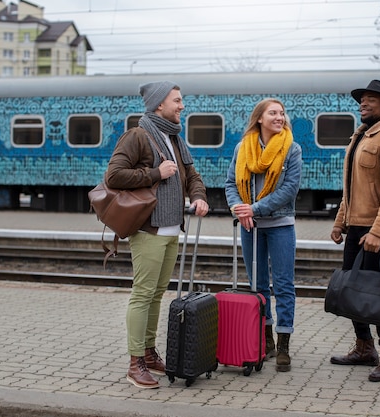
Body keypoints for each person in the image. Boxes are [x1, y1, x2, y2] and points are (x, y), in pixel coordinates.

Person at [105, 81, 209, 389]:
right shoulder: (138, 136)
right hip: (148, 228)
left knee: (155, 294)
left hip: (170, 228)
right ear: (158, 104)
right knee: (143, 294)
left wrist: (198, 195)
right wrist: (155, 174)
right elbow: (113, 175)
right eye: (177, 100)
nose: (182, 105)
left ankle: (149, 354)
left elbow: (191, 174)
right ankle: (135, 362)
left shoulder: (174, 137)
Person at [329, 79, 380, 382]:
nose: (363, 103)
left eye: (371, 100)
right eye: (362, 100)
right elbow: (352, 188)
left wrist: (379, 232)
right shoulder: (362, 136)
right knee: (351, 289)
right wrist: (341, 221)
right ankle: (364, 347)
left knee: (375, 291)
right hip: (358, 224)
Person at [224, 98, 302, 372]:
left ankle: (283, 345)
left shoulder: (292, 149)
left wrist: (253, 208)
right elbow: (231, 183)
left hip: (280, 225)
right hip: (250, 226)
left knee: (283, 286)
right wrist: (239, 209)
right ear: (259, 118)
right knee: (258, 286)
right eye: (273, 113)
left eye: (282, 113)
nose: (279, 117)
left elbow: (289, 190)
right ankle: (265, 341)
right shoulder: (242, 148)